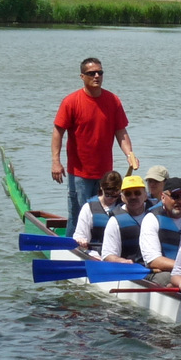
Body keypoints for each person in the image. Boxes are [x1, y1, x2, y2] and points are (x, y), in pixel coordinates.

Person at [51, 57, 139, 230]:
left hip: (104, 173)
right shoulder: (71, 101)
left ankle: (101, 243)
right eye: (91, 73)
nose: (97, 76)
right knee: (79, 214)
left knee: (104, 213)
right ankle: (72, 243)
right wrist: (56, 162)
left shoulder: (113, 100)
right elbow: (57, 132)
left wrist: (130, 154)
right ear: (82, 76)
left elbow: (120, 132)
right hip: (80, 173)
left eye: (100, 72)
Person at [139, 176, 181, 285]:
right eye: (175, 196)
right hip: (164, 271)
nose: (180, 201)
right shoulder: (152, 219)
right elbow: (153, 260)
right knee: (166, 278)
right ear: (163, 197)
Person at [71, 170, 123, 257]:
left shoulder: (125, 205)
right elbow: (79, 235)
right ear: (101, 187)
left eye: (115, 196)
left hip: (120, 255)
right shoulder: (88, 208)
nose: (111, 198)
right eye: (107, 194)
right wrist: (81, 240)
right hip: (96, 254)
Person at [100, 175, 150, 264]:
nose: (133, 197)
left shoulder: (156, 215)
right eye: (128, 194)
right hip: (130, 268)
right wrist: (122, 261)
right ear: (122, 198)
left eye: (137, 193)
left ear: (145, 195)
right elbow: (108, 255)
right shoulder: (115, 221)